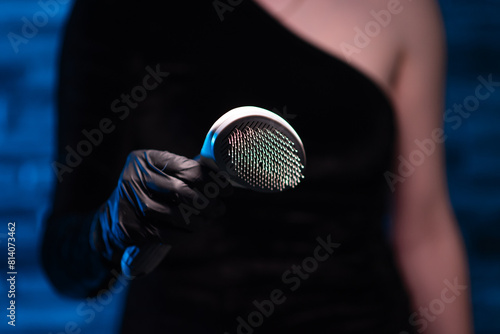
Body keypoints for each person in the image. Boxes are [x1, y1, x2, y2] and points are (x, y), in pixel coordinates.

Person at [42, 0, 473, 333]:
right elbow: (64, 259)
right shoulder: (117, 11)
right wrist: (109, 230)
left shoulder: (402, 11)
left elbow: (425, 234)